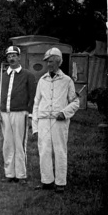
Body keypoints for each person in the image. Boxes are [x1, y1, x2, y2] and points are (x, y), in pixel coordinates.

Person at [33, 48, 79, 193]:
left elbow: (75, 102)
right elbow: (36, 103)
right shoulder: (42, 80)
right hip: (43, 121)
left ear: (59, 62)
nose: (48, 65)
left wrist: (64, 113)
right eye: (47, 62)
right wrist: (35, 126)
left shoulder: (67, 81)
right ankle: (47, 181)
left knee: (60, 151)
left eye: (51, 61)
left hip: (59, 122)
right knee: (44, 151)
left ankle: (60, 183)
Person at [0, 46, 36, 184]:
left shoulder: (28, 75)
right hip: (5, 113)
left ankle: (21, 175)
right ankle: (9, 174)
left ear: (19, 57)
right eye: (9, 56)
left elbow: (33, 96)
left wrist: (30, 115)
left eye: (14, 56)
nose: (11, 58)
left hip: (20, 113)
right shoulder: (3, 74)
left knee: (19, 144)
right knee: (7, 144)